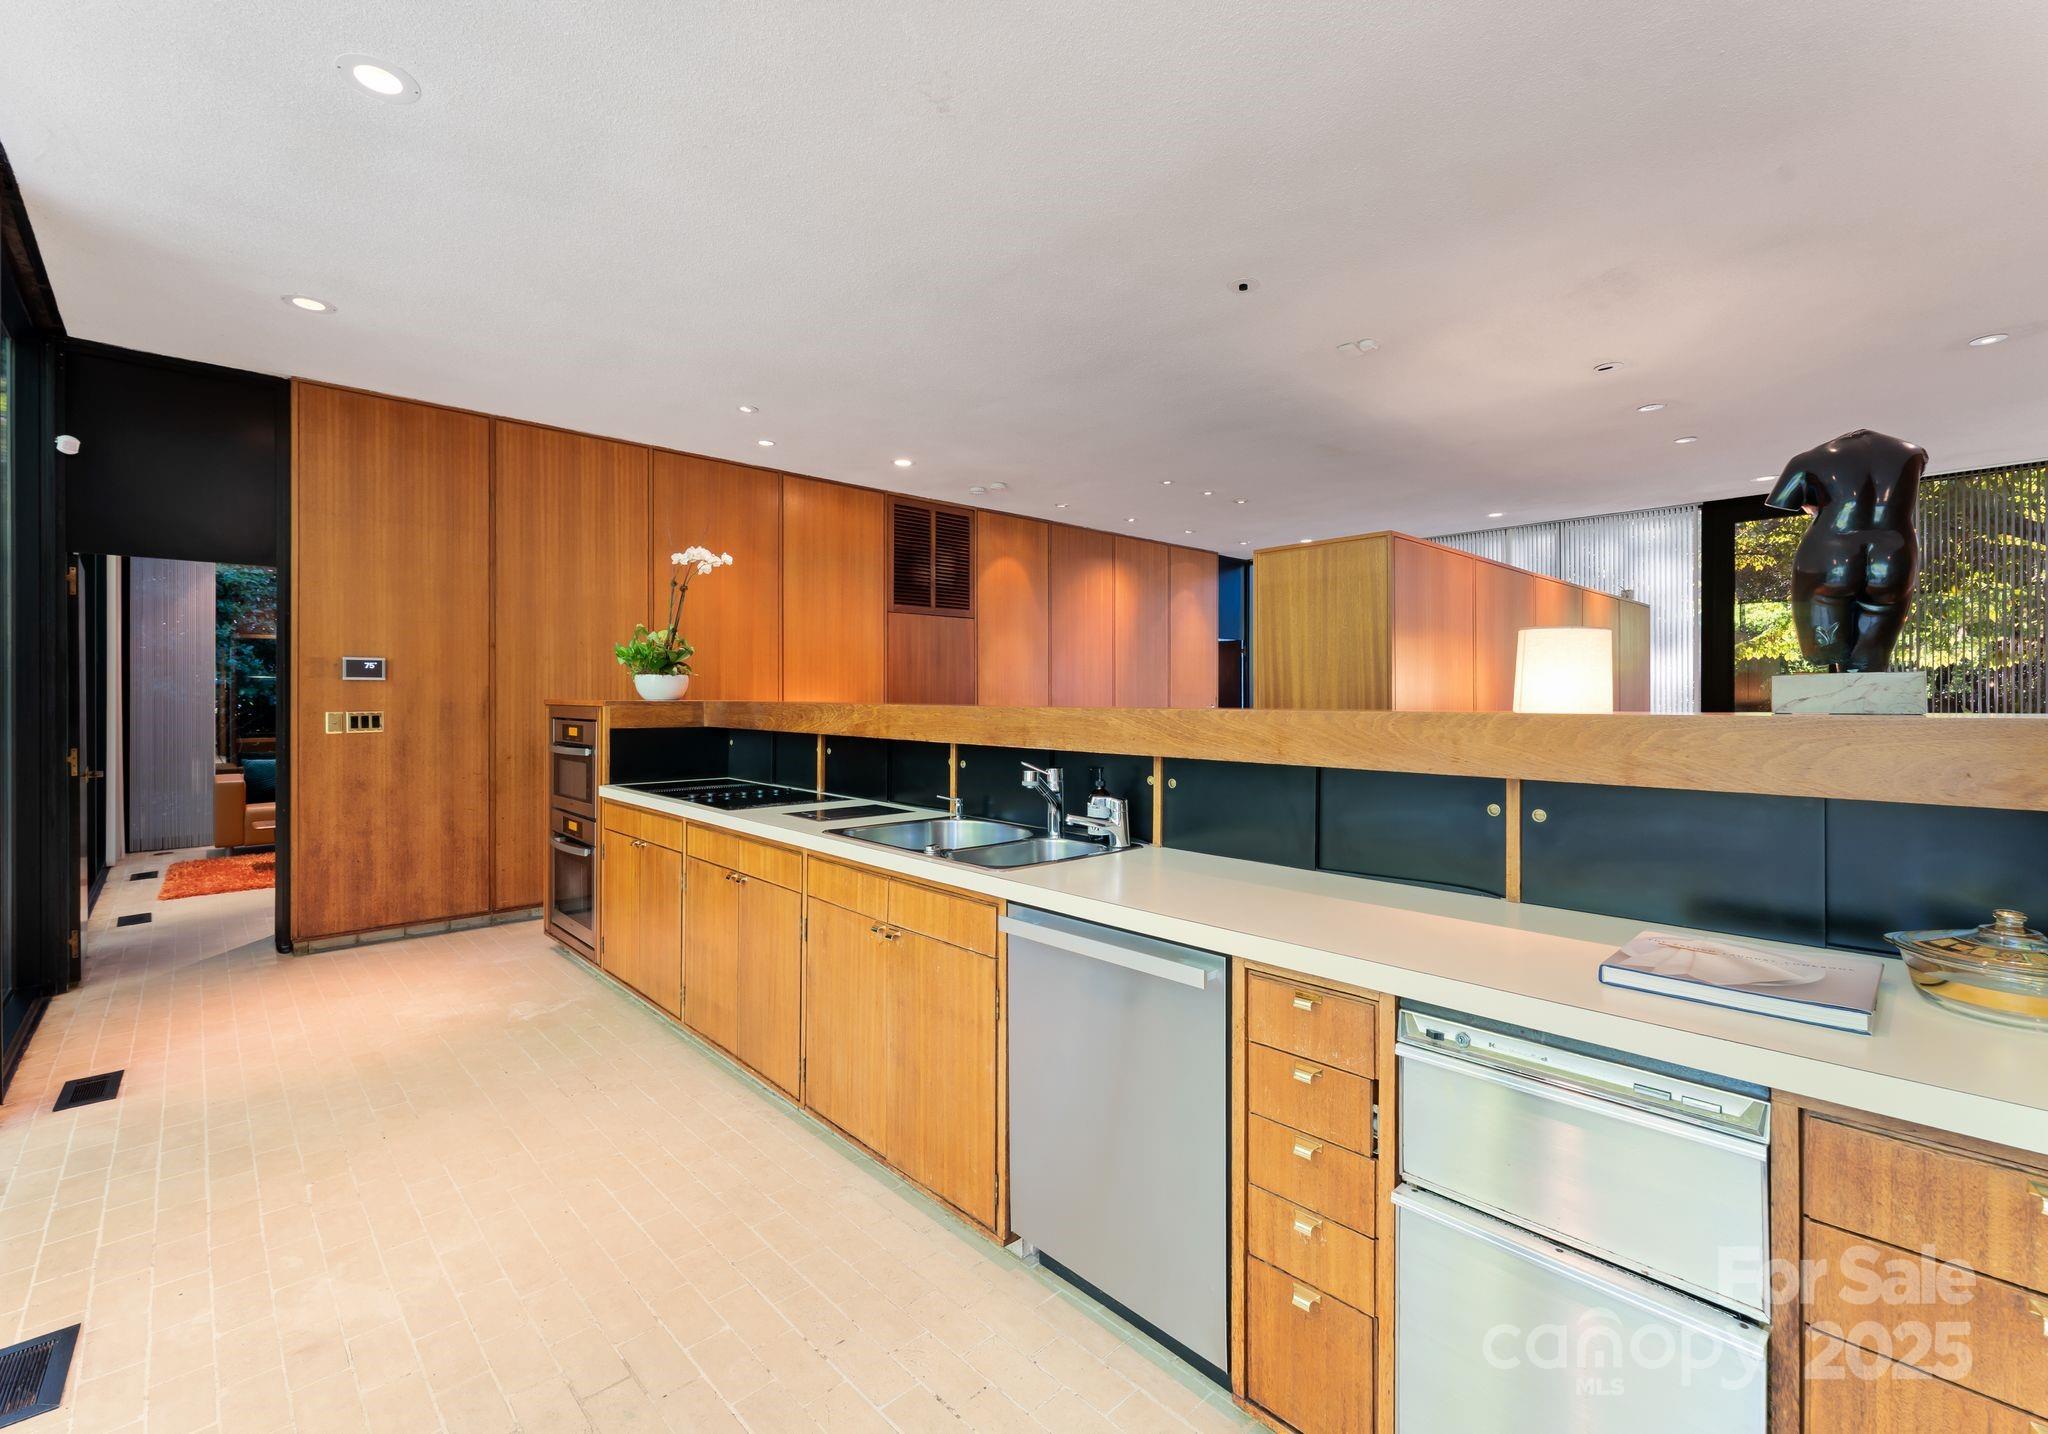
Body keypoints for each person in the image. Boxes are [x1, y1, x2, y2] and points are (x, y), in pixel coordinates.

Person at [1764, 428, 1923, 672]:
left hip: (1831, 554)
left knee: (1826, 649)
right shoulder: (1914, 454)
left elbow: (1792, 501)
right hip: (1894, 555)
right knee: (1869, 663)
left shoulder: (1806, 460)